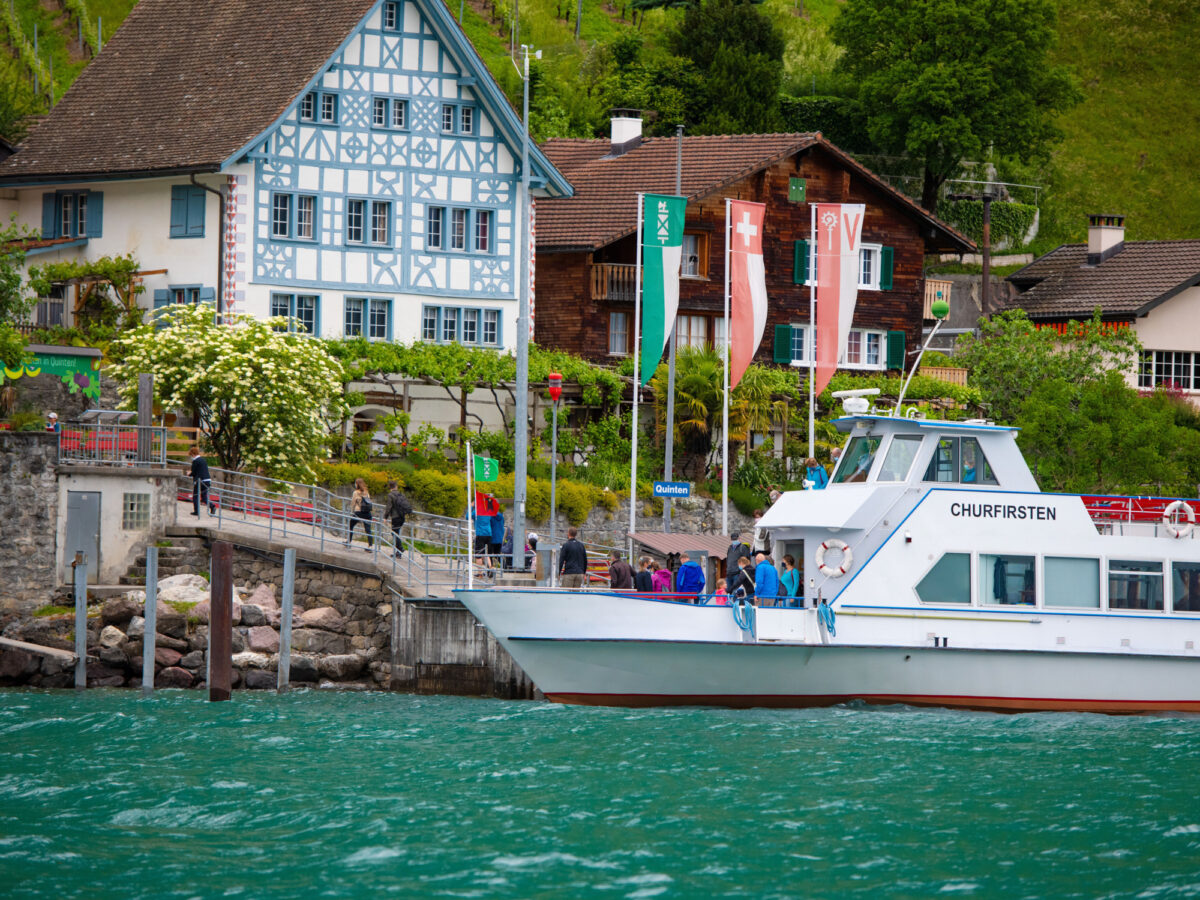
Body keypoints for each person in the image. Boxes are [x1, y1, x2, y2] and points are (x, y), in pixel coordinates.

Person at [384, 480, 411, 558]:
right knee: (396, 533)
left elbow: (388, 507)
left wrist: (385, 517)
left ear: (390, 487)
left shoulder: (390, 495)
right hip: (402, 517)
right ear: (396, 486)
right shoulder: (401, 494)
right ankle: (398, 552)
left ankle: (400, 549)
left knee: (394, 534)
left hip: (396, 517)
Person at [186, 445, 215, 517]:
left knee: (195, 496)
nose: (191, 457)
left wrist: (189, 473)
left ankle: (197, 511)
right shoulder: (203, 460)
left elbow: (194, 472)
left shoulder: (195, 461)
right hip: (207, 480)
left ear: (193, 454)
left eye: (191, 455)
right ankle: (212, 506)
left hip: (200, 481)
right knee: (204, 497)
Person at [346, 477, 374, 549]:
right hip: (367, 513)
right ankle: (370, 546)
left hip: (358, 512)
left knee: (351, 525)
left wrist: (352, 511)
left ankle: (349, 542)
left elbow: (353, 503)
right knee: (368, 530)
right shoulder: (366, 492)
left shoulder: (355, 492)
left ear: (357, 484)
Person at [490, 503, 505, 568]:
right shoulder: (501, 516)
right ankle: (505, 567)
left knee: (489, 555)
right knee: (498, 555)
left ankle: (490, 570)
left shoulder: (490, 517)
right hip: (499, 538)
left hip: (492, 538)